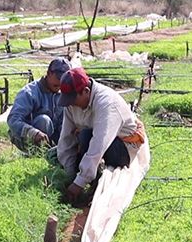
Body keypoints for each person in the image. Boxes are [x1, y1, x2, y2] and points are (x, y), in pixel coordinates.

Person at [56, 67, 146, 204]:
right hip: (96, 142)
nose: (71, 105)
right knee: (84, 137)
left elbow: (99, 144)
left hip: (123, 147)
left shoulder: (107, 103)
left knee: (86, 135)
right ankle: (90, 176)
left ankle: (96, 183)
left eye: (73, 100)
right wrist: (69, 174)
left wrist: (79, 183)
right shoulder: (71, 105)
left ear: (86, 91)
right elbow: (65, 139)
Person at [7, 57, 72, 153]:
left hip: (55, 137)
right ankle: (38, 153)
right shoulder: (29, 92)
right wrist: (33, 133)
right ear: (49, 73)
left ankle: (58, 151)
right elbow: (13, 119)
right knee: (44, 121)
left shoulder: (65, 92)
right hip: (27, 139)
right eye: (57, 82)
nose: (59, 86)